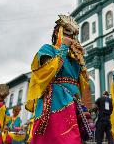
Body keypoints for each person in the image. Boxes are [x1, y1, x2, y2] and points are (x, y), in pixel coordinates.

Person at [25, 14, 92, 144]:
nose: (71, 37)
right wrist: (64, 48)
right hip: (55, 99)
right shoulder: (47, 49)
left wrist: (81, 61)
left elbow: (84, 81)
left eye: (73, 35)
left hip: (74, 101)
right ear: (57, 32)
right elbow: (49, 71)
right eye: (67, 33)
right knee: (57, 138)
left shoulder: (74, 58)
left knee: (74, 139)